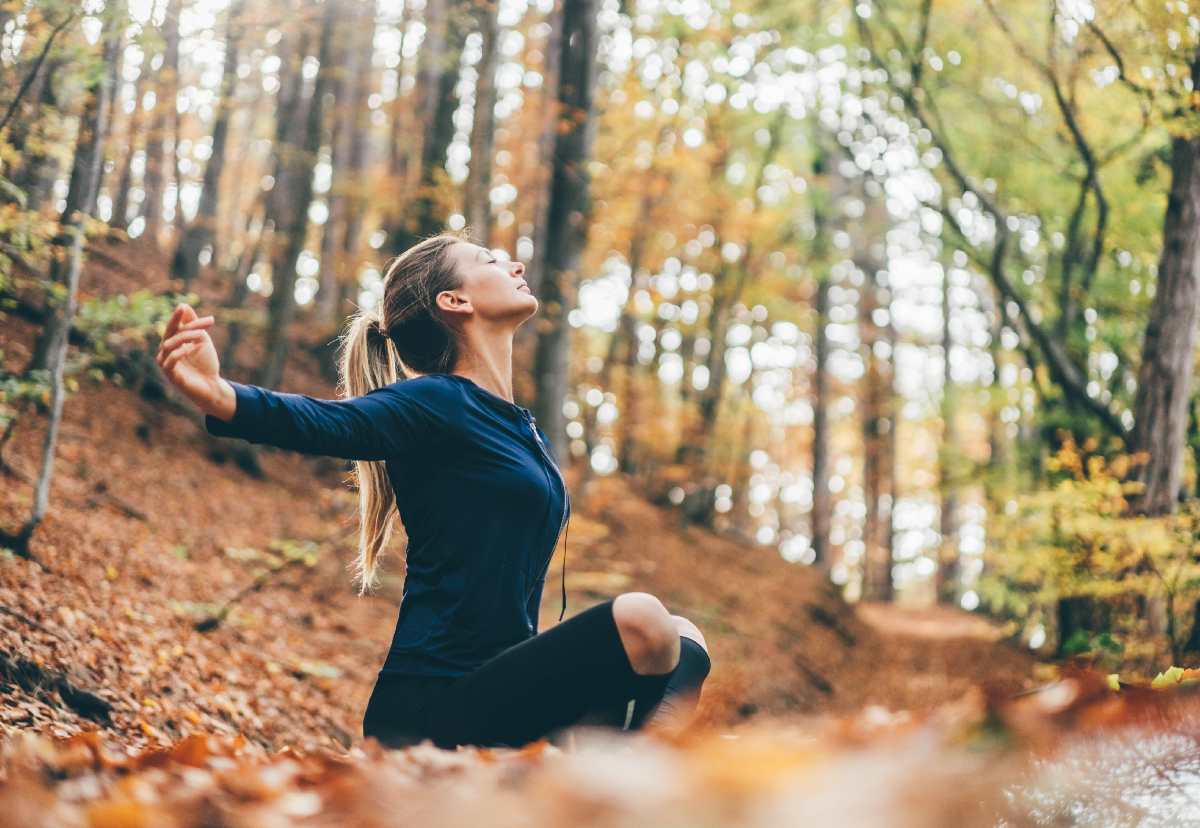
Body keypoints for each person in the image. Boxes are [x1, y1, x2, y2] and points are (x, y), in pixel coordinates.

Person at [156, 231, 711, 749]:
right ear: (455, 301)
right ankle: (637, 774)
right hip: (431, 706)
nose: (514, 264)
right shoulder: (437, 401)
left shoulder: (520, 428)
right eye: (490, 261)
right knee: (641, 618)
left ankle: (629, 777)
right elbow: (328, 422)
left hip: (504, 690)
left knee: (685, 639)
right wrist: (218, 393)